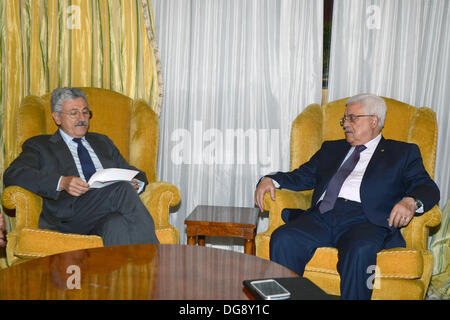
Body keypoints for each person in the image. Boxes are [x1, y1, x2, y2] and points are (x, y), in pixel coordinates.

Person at [254, 93, 440, 300]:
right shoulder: (331, 148)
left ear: (373, 120)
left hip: (366, 220)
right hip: (322, 215)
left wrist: (410, 201)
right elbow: (302, 175)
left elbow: (427, 186)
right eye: (344, 119)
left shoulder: (402, 152)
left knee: (360, 251)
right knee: (284, 238)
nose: (345, 124)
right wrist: (270, 179)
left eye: (352, 118)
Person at [3, 87, 159, 246]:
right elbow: (13, 174)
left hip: (104, 212)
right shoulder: (40, 145)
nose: (82, 118)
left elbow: (132, 173)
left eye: (85, 112)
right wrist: (62, 182)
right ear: (57, 117)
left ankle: (126, 271)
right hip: (69, 215)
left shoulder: (103, 142)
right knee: (121, 189)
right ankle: (156, 258)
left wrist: (136, 183)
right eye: (74, 113)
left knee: (116, 224)